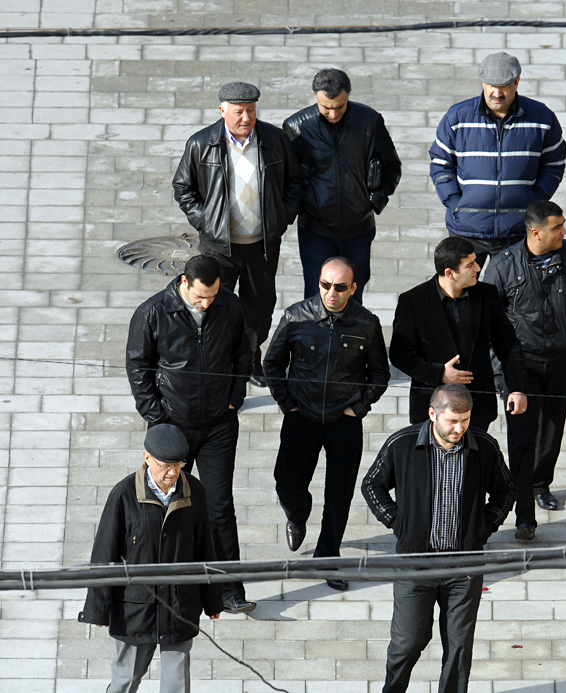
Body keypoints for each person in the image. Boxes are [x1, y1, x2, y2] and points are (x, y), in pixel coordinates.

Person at [362, 384, 515, 693]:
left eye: (465, 420)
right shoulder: (403, 443)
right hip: (414, 564)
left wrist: (483, 527)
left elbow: (506, 490)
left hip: (464, 567)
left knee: (459, 648)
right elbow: (372, 484)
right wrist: (397, 521)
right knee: (406, 643)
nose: (459, 428)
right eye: (451, 421)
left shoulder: (484, 446)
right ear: (432, 414)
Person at [125, 255, 256, 614]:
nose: (206, 303)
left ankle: (230, 589)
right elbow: (138, 365)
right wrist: (158, 418)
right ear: (184, 282)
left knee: (218, 507)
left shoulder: (229, 305)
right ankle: (161, 586)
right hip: (172, 427)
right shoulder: (153, 312)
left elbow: (243, 352)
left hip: (218, 424)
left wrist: (235, 398)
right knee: (162, 506)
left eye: (212, 296)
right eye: (200, 297)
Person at [262, 256, 390, 590]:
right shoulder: (295, 316)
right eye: (325, 285)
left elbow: (379, 374)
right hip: (300, 416)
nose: (331, 293)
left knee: (339, 495)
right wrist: (286, 403)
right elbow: (272, 363)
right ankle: (297, 514)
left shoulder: (367, 323)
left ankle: (328, 556)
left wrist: (358, 408)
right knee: (286, 482)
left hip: (343, 420)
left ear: (353, 288)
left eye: (339, 287)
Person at [481, 199, 566, 536]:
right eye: (557, 227)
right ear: (535, 232)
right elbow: (489, 324)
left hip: (561, 359)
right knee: (521, 435)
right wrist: (502, 377)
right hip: (520, 364)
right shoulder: (503, 266)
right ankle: (522, 512)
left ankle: (539, 483)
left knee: (552, 426)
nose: (564, 231)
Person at [173, 81, 305, 388]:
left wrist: (282, 217)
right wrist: (206, 221)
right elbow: (183, 187)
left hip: (261, 244)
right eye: (238, 112)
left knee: (259, 307)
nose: (245, 118)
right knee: (214, 304)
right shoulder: (201, 143)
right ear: (222, 111)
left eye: (251, 111)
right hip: (219, 247)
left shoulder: (275, 140)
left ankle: (250, 359)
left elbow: (295, 182)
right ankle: (218, 362)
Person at [78, 424, 224, 693]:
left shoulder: (195, 492)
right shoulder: (123, 495)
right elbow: (103, 553)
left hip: (180, 606)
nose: (173, 473)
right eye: (165, 465)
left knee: (176, 686)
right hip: (135, 610)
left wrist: (214, 598)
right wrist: (97, 608)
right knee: (126, 679)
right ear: (147, 458)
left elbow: (206, 547)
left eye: (178, 465)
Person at [429, 52, 566, 267]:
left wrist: (536, 199)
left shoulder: (542, 118)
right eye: (491, 85)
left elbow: (554, 163)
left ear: (517, 82)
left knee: (515, 296)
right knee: (463, 294)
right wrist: (455, 203)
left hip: (517, 231)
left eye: (504, 85)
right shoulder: (457, 117)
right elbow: (440, 162)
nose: (496, 92)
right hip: (467, 230)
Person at [283, 68, 402, 302]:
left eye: (339, 106)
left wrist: (375, 201)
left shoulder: (369, 121)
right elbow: (285, 176)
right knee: (317, 295)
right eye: (326, 107)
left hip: (358, 226)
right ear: (314, 95)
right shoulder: (297, 127)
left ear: (348, 95)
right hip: (315, 227)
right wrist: (298, 207)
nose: (333, 113)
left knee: (353, 294)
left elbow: (392, 165)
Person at [390, 236, 528, 432]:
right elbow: (399, 354)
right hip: (432, 407)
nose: (478, 269)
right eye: (470, 265)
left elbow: (507, 344)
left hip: (478, 407)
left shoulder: (487, 295)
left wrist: (516, 387)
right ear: (450, 273)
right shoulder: (413, 301)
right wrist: (439, 373)